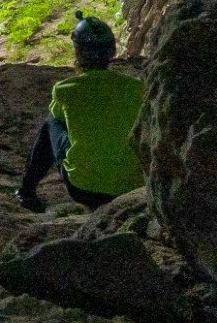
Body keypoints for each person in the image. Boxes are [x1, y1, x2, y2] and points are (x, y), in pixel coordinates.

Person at [20, 15, 144, 208]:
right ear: (111, 51)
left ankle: (26, 192)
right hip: (132, 187)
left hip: (84, 189)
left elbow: (56, 127)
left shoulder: (64, 89)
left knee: (51, 122)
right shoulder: (137, 87)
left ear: (78, 52)